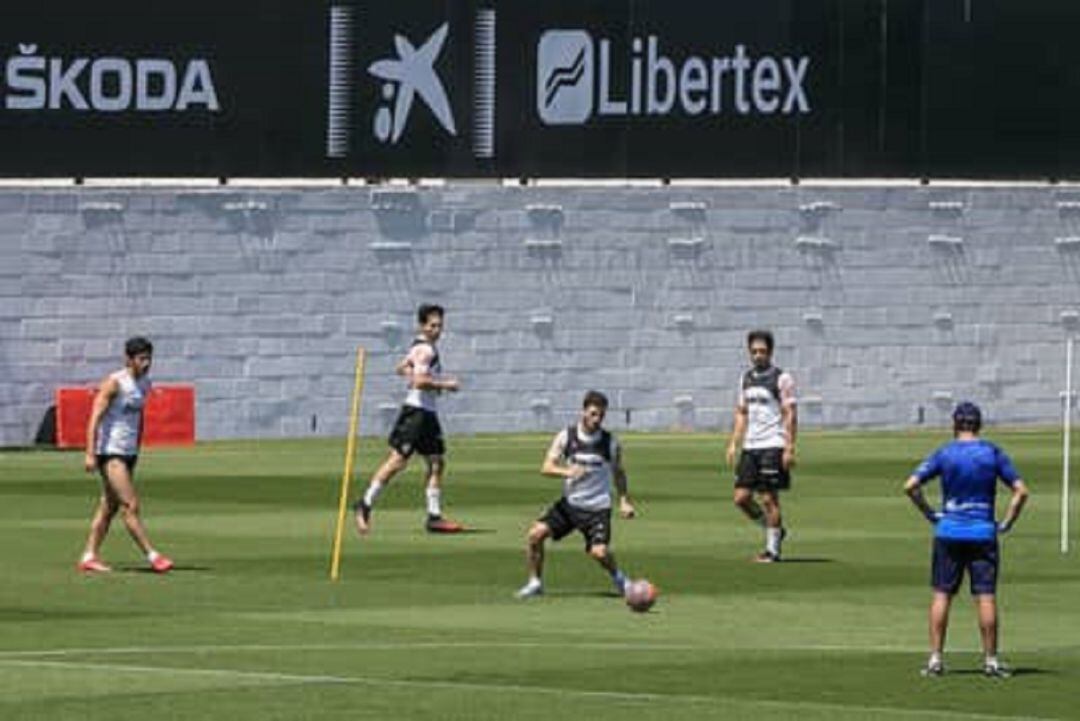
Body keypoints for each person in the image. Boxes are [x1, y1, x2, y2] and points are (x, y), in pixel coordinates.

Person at [904, 401, 1029, 678]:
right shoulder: (992, 453)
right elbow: (1021, 491)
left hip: (948, 530)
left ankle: (936, 659)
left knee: (942, 593)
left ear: (954, 424)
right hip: (983, 532)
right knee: (985, 595)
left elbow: (910, 486)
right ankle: (991, 661)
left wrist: (929, 513)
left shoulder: (945, 453)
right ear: (979, 424)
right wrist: (1007, 522)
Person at [354, 304, 463, 534]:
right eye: (433, 325)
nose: (437, 330)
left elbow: (401, 367)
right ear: (422, 325)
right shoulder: (426, 350)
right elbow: (419, 382)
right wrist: (447, 385)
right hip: (417, 412)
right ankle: (365, 503)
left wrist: (413, 374)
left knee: (436, 462)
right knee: (397, 461)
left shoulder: (419, 347)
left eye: (440, 325)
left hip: (428, 413)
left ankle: (434, 516)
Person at [516, 390, 637, 599]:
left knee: (598, 552)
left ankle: (620, 579)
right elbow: (546, 467)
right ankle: (535, 583)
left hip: (597, 508)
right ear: (583, 411)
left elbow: (619, 472)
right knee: (535, 535)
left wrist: (624, 501)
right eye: (593, 414)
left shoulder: (610, 442)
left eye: (601, 415)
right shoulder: (566, 436)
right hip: (570, 505)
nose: (597, 419)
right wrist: (567, 471)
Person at [78, 336, 173, 574]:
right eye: (142, 359)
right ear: (129, 359)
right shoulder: (114, 383)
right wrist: (90, 452)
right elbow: (94, 418)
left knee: (108, 507)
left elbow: (138, 418)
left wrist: (137, 446)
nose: (147, 363)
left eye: (149, 358)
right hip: (110, 452)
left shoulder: (144, 384)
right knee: (130, 505)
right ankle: (153, 556)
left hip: (129, 452)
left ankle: (89, 555)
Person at [725, 329, 797, 562]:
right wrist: (734, 443)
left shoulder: (781, 378)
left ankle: (772, 551)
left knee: (768, 498)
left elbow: (790, 413)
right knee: (741, 498)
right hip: (751, 445)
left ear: (770, 352)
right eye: (754, 351)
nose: (758, 355)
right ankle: (774, 530)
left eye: (762, 351)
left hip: (773, 443)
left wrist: (789, 447)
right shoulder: (745, 378)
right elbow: (741, 412)